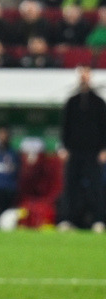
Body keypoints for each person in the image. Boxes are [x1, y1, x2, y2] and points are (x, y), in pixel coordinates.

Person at [57, 67, 106, 232]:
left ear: (91, 77)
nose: (84, 78)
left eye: (87, 74)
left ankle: (99, 220)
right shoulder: (71, 102)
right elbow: (66, 127)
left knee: (96, 188)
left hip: (93, 152)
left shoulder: (99, 103)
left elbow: (104, 127)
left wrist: (104, 149)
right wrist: (64, 147)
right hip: (74, 151)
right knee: (70, 187)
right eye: (81, 74)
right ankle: (67, 220)